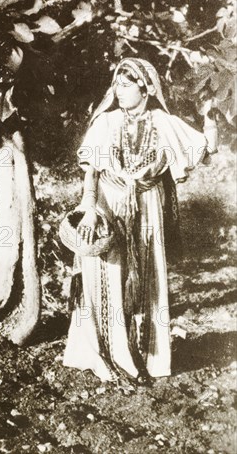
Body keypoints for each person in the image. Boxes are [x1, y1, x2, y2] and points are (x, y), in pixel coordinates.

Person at [63, 57, 217, 384]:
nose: (118, 91)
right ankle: (103, 353)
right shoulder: (107, 123)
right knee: (105, 275)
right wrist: (89, 208)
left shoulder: (163, 122)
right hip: (107, 205)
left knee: (145, 276)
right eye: (116, 84)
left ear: (144, 88)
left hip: (146, 207)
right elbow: (92, 170)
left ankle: (145, 356)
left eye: (126, 84)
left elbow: (203, 148)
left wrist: (211, 116)